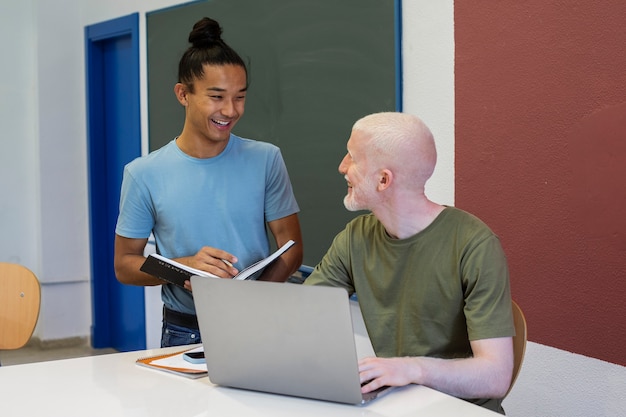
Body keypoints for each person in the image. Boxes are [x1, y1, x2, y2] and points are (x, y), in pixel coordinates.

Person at [304, 112, 514, 414]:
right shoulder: (355, 237)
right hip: (395, 405)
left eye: (352, 158)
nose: (342, 167)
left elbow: (495, 377)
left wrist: (411, 369)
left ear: (383, 180)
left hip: (459, 409)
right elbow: (302, 313)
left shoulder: (475, 245)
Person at [114, 17, 303, 348]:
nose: (230, 110)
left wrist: (252, 299)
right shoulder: (143, 173)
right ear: (183, 94)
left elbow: (292, 248)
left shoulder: (266, 160)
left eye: (240, 97)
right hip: (185, 331)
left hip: (258, 322)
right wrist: (183, 269)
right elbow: (124, 266)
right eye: (216, 97)